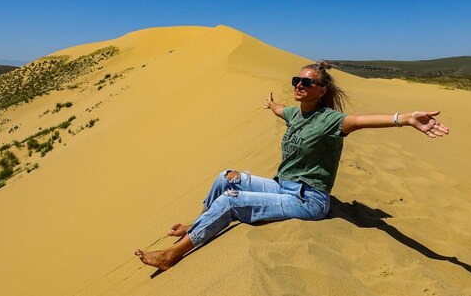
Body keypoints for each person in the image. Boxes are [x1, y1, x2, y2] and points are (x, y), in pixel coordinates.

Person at [135, 60, 450, 270]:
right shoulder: (294, 113)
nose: (300, 84)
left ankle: (173, 255)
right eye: (297, 80)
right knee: (225, 177)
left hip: (308, 200)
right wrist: (271, 104)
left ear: (322, 90)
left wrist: (404, 119)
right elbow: (280, 111)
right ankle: (198, 224)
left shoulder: (331, 120)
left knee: (232, 201)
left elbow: (362, 120)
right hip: (281, 185)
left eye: (308, 82)